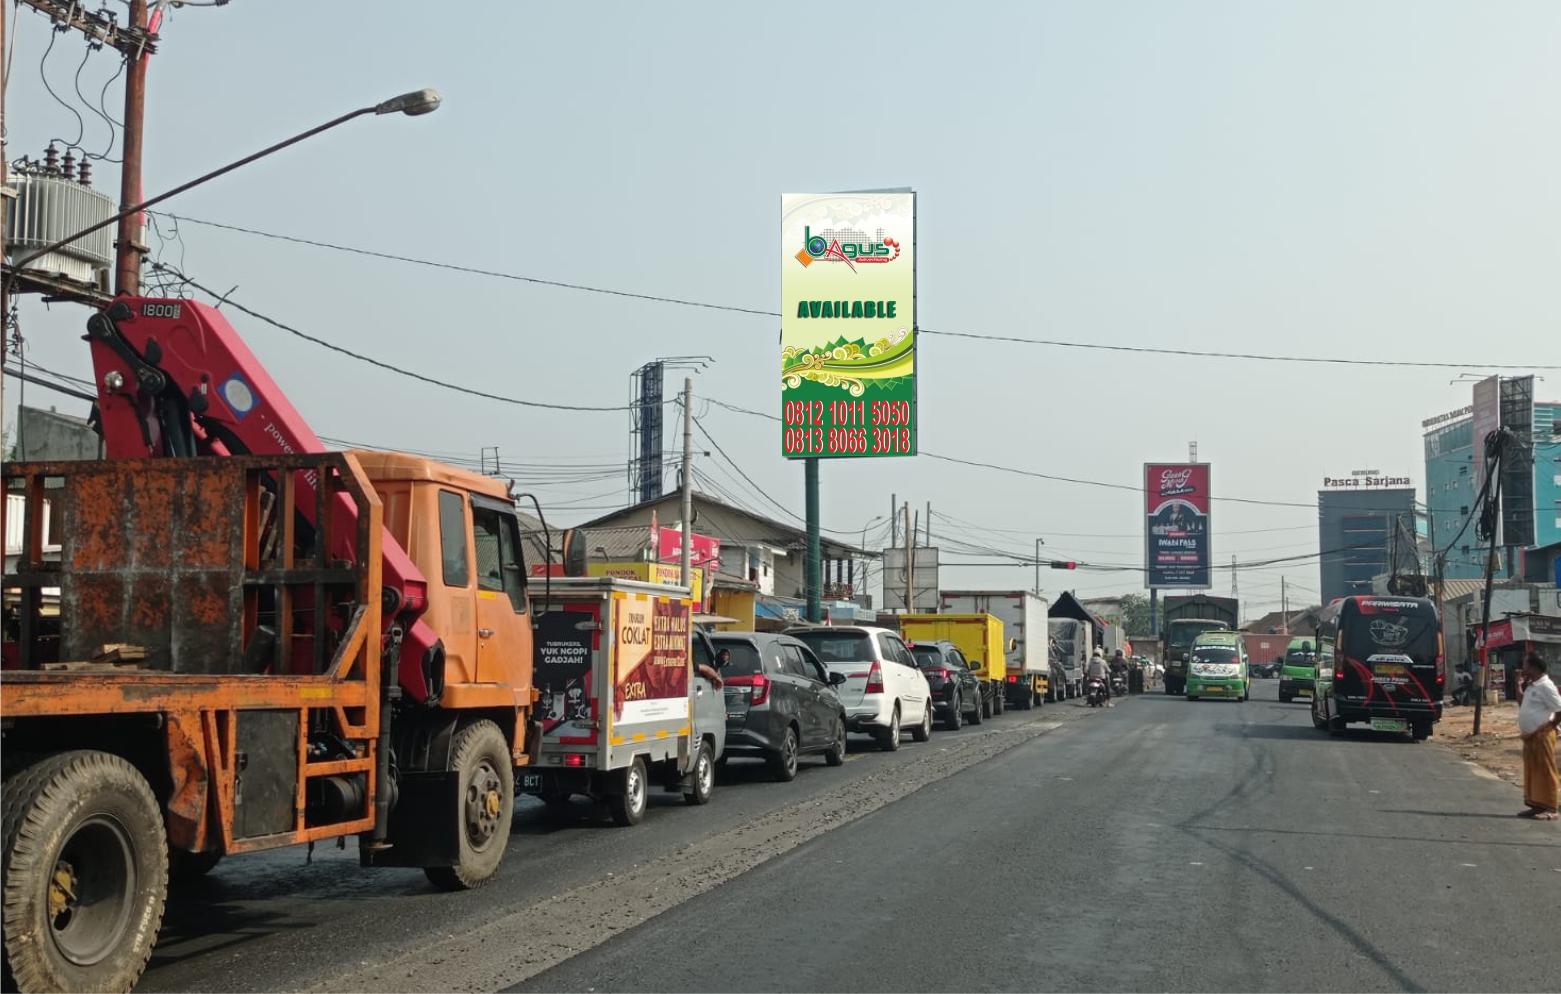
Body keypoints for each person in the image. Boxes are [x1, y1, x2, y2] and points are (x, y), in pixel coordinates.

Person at [1516, 652, 1561, 821]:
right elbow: (1522, 704)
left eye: (1525, 665)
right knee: (1533, 770)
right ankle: (1537, 804)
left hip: (1542, 735)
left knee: (1546, 770)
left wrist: (1550, 726)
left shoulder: (1546, 686)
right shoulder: (1532, 685)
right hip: (1530, 736)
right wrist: (1518, 686)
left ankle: (1551, 807)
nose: (1523, 668)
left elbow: (1559, 709)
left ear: (1533, 667)